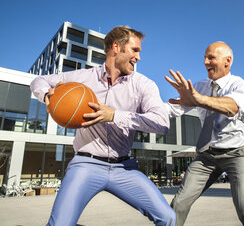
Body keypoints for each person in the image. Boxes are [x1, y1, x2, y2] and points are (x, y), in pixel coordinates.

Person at [30, 26, 176, 226]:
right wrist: (46, 94)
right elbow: (38, 80)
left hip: (124, 167)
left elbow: (161, 123)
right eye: (135, 50)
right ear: (116, 47)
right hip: (86, 164)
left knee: (168, 217)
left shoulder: (144, 85)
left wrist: (114, 115)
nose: (139, 57)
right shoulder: (82, 78)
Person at [164, 41, 244, 226]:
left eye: (211, 57)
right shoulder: (199, 86)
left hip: (236, 154)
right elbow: (170, 110)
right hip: (206, 156)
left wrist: (200, 100)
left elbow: (232, 107)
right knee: (178, 205)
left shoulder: (240, 86)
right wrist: (122, 113)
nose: (205, 62)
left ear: (227, 61)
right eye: (205, 58)